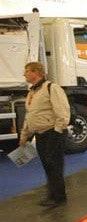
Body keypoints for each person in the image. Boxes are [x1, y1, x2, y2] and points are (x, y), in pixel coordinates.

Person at [19, 62, 71, 207]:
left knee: (54, 165)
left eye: (27, 71)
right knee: (47, 165)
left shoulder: (51, 87)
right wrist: (24, 136)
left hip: (52, 132)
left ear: (36, 72)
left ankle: (59, 197)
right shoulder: (32, 92)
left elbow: (62, 110)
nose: (24, 74)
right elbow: (30, 115)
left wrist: (58, 130)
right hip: (40, 134)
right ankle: (52, 195)